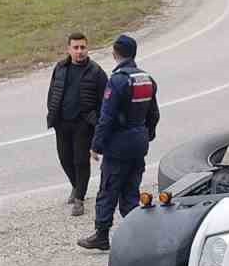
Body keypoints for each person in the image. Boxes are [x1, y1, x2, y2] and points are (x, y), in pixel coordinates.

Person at [78, 34, 159, 252]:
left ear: (115, 54)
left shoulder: (118, 80)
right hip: (139, 143)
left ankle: (102, 235)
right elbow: (154, 114)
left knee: (108, 190)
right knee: (131, 191)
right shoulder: (147, 79)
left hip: (119, 146)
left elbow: (107, 117)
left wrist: (96, 145)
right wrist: (145, 134)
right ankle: (138, 236)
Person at [46, 33, 107, 218]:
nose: (79, 51)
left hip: (83, 124)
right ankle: (76, 185)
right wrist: (52, 114)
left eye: (83, 47)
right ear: (69, 49)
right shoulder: (60, 68)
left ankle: (79, 198)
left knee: (81, 161)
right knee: (65, 159)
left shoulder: (96, 72)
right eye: (76, 47)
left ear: (87, 49)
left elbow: (105, 102)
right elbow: (52, 93)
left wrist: (97, 123)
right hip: (62, 123)